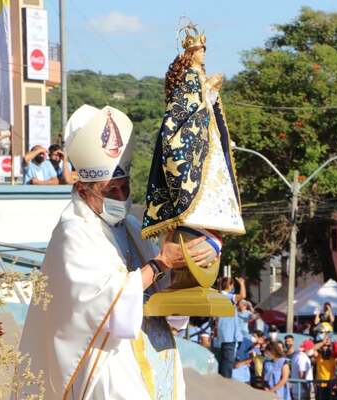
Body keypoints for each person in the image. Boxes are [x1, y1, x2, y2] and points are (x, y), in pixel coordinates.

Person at [18, 105, 217, 399]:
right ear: (84, 188)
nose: (121, 198)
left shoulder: (131, 225)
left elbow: (159, 289)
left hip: (151, 354)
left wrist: (188, 262)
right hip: (105, 361)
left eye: (125, 187)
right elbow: (98, 304)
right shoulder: (73, 232)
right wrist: (161, 263)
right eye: (111, 190)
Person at [141, 23, 245, 243]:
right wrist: (208, 92)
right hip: (195, 138)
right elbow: (182, 111)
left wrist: (211, 92)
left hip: (208, 139)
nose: (203, 53)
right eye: (199, 50)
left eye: (204, 50)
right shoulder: (188, 77)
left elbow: (208, 107)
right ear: (190, 53)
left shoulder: (200, 75)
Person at [217, 276, 246, 378]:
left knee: (223, 360)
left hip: (223, 333)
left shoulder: (218, 296)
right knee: (227, 362)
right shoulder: (227, 297)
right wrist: (242, 283)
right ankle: (226, 382)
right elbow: (242, 295)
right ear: (230, 285)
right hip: (229, 334)